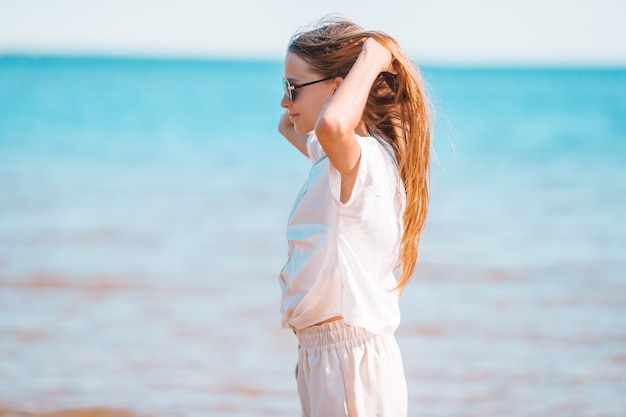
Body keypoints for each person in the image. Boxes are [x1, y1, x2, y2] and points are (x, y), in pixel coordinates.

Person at [278, 16, 431, 417]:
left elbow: (331, 124)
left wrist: (373, 55)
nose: (284, 101)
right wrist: (309, 93)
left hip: (350, 362)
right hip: (318, 355)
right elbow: (287, 126)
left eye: (292, 88)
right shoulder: (331, 160)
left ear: (339, 88)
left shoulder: (363, 165)